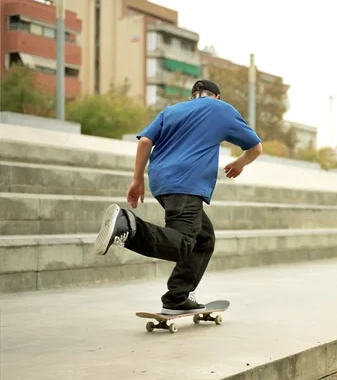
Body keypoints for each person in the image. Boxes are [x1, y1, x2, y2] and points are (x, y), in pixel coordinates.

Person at [92, 79, 263, 315]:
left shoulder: (172, 110)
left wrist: (137, 179)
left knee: (203, 239)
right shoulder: (221, 109)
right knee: (183, 244)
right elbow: (255, 148)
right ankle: (129, 226)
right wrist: (240, 164)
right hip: (188, 182)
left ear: (193, 95)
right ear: (217, 96)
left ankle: (177, 298)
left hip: (162, 182)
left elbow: (145, 141)